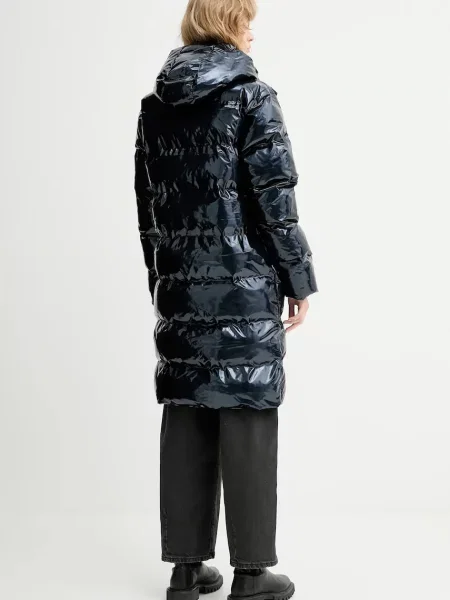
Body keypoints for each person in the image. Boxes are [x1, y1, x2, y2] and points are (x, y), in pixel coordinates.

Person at [134, 1, 318, 599]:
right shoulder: (252, 98)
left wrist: (163, 280)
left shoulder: (155, 108)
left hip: (180, 285)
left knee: (187, 412)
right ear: (229, 22)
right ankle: (252, 575)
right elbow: (275, 201)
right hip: (245, 286)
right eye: (246, 17)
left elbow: (149, 210)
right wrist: (298, 279)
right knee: (246, 412)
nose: (252, 29)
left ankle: (185, 571)